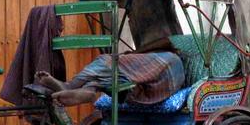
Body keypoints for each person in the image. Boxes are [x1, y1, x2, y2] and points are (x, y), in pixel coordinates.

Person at [35, 37, 185, 107]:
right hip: (154, 90)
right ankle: (90, 90)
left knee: (106, 61)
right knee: (111, 78)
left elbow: (166, 41)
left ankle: (72, 85)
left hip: (168, 67)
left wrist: (132, 53)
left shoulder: (171, 53)